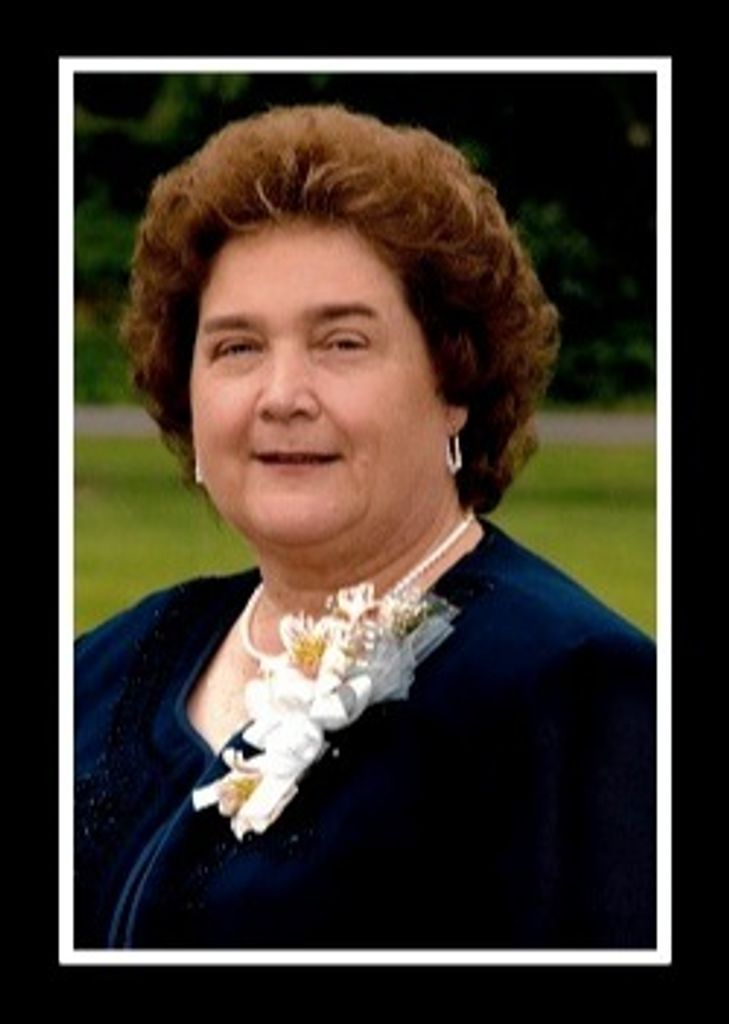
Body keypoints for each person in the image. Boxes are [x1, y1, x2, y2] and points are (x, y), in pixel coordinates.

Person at [75, 104, 655, 950]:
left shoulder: (575, 696)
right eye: (236, 348)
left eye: (341, 343)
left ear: (453, 382)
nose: (282, 395)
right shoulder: (101, 670)